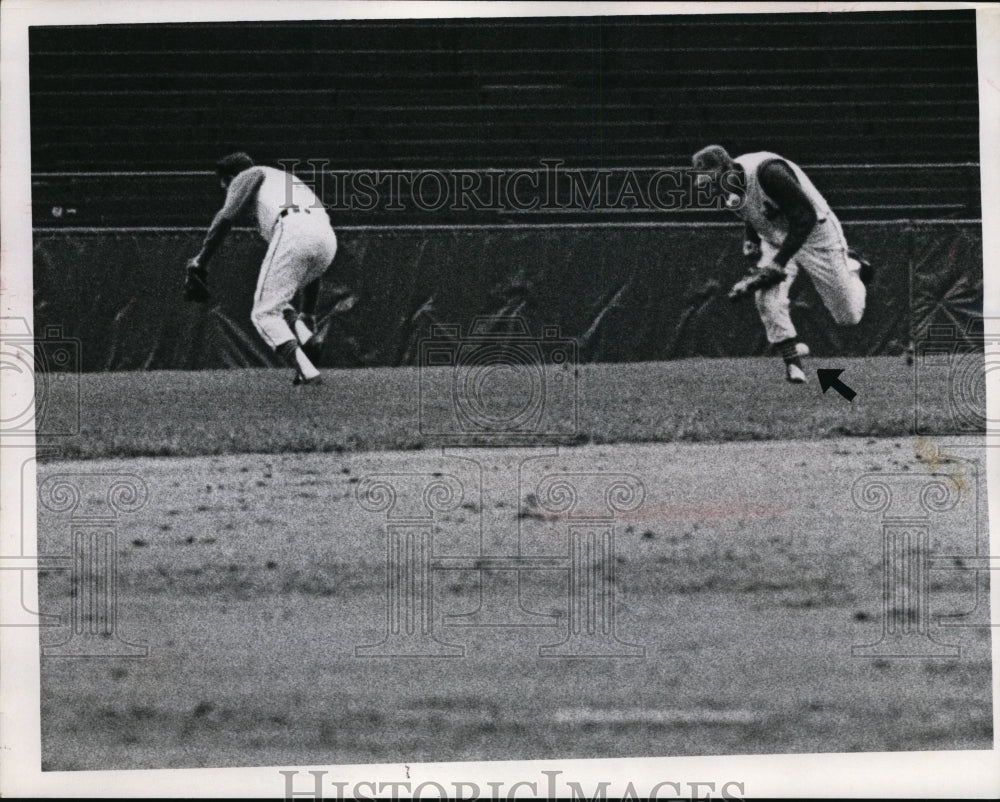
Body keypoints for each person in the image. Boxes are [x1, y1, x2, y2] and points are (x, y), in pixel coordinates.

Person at [691, 145, 873, 383]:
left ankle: (854, 266)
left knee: (848, 316)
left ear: (728, 167)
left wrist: (778, 264)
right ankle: (794, 367)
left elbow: (805, 217)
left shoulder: (769, 172)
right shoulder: (730, 192)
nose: (711, 187)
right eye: (706, 183)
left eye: (713, 180)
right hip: (775, 237)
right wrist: (752, 240)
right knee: (767, 298)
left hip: (814, 234)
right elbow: (754, 213)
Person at [183, 152, 335, 385]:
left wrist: (201, 260)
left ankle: (308, 372)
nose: (228, 191)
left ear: (232, 176)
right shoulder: (286, 180)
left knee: (263, 313)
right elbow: (310, 254)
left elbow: (226, 217)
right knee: (277, 301)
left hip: (293, 229)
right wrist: (308, 313)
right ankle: (306, 335)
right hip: (326, 238)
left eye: (226, 185)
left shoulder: (249, 174)